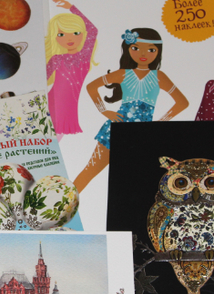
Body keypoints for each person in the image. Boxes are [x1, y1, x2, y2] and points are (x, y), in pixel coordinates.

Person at [73, 28, 189, 193]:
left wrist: (160, 123)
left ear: (158, 51)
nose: (143, 54)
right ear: (128, 49)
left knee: (135, 179)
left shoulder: (159, 76)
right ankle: (64, 204)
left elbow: (182, 102)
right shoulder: (123, 73)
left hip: (142, 135)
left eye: (151, 50)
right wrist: (104, 111)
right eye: (136, 48)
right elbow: (92, 87)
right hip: (115, 131)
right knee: (90, 170)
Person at [45, 0, 99, 139]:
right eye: (61, 34)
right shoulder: (56, 58)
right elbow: (42, 80)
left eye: (75, 33)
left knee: (55, 141)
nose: (69, 38)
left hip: (68, 108)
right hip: (51, 102)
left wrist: (71, 7)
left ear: (82, 34)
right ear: (55, 37)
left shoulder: (84, 56)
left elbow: (93, 30)